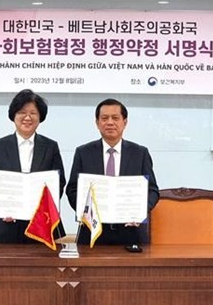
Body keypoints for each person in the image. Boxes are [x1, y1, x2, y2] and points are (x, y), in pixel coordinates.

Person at [66, 98, 159, 245]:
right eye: (104, 118)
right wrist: (84, 211)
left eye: (115, 118)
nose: (110, 122)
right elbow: (72, 189)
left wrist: (140, 212)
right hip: (92, 233)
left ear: (125, 122)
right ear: (97, 123)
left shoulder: (140, 153)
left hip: (131, 232)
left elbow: (153, 191)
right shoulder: (83, 152)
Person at [0, 89, 66, 243]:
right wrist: (3, 207)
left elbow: (59, 182)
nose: (27, 117)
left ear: (40, 117)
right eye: (22, 112)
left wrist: (43, 208)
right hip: (5, 223)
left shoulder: (51, 146)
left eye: (33, 113)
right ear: (13, 115)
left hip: (41, 223)